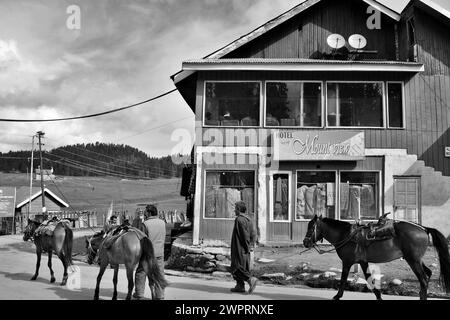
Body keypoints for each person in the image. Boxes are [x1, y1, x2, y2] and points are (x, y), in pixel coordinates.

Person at [133, 205, 166, 300]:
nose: (144, 213)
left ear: (149, 213)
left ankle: (139, 294)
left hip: (148, 253)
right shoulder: (162, 222)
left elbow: (143, 240)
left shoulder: (145, 224)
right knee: (159, 274)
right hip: (160, 253)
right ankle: (160, 296)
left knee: (141, 272)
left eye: (146, 211)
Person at [230, 201, 258, 294]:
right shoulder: (249, 219)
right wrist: (252, 245)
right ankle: (240, 286)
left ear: (238, 209)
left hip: (240, 247)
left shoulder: (239, 220)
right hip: (245, 247)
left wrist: (247, 247)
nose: (234, 210)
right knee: (242, 265)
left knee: (237, 266)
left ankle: (250, 280)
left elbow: (244, 235)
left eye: (235, 209)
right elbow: (253, 233)